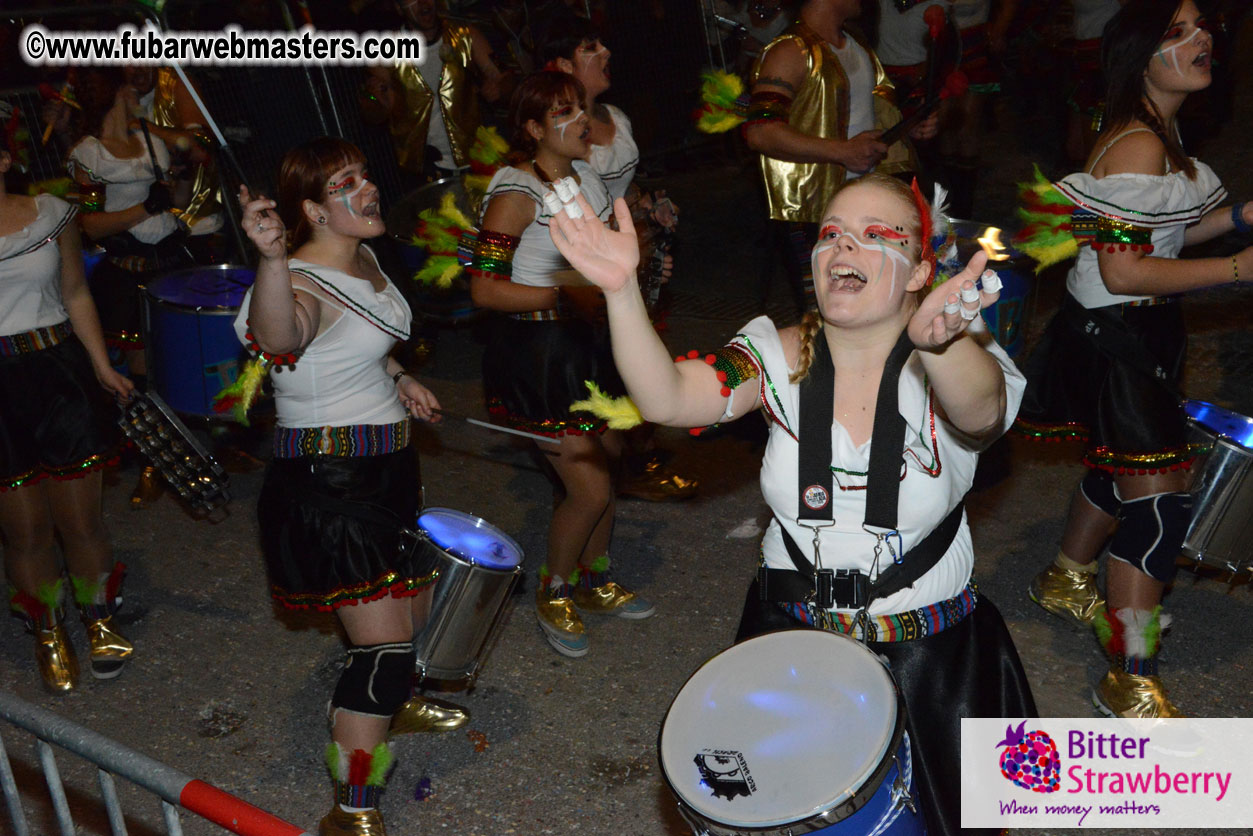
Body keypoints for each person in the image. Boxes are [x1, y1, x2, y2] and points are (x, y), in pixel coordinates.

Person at [548, 172, 1036, 836]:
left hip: (928, 658)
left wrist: (939, 345)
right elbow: (668, 399)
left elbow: (979, 416)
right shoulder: (773, 354)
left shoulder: (966, 356)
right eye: (830, 234)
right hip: (795, 639)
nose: (843, 248)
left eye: (874, 236)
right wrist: (618, 291)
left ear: (920, 268)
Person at [1017, 0, 1251, 718]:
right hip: (1115, 336)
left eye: (1199, 23)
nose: (1202, 35)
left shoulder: (1155, 131)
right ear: (1142, 59)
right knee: (1158, 507)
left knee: (1122, 465)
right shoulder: (1136, 145)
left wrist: (1238, 219)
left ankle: (1064, 577)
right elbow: (1123, 274)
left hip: (1124, 334)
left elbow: (1163, 230)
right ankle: (1130, 674)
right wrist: (1240, 268)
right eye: (1177, 32)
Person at [235, 137, 467, 836]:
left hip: (389, 468)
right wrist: (271, 261)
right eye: (345, 183)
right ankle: (350, 807)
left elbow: (363, 343)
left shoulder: (362, 257)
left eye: (365, 174)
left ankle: (389, 702)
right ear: (312, 210)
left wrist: (399, 377)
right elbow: (284, 339)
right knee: (384, 648)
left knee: (415, 615)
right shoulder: (298, 281)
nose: (366, 188)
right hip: (328, 483)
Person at [468, 71, 655, 660]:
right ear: (532, 129)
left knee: (611, 464)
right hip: (540, 356)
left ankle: (595, 579)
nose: (582, 121)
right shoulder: (515, 194)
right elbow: (483, 290)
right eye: (565, 112)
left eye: (581, 107)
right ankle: (553, 591)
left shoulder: (586, 177)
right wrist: (564, 295)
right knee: (589, 484)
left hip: (592, 344)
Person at [537, 14, 696, 503]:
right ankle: (624, 465)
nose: (606, 52)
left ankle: (640, 452)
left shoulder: (617, 117)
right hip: (600, 261)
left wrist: (651, 203)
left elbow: (625, 187)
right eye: (591, 47)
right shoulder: (564, 134)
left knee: (648, 352)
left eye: (603, 42)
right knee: (613, 362)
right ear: (563, 64)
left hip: (640, 253)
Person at [0, 148, 135, 693]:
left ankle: (99, 620)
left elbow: (76, 293)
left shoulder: (53, 212)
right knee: (26, 531)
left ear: (7, 156)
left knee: (81, 523)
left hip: (60, 374)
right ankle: (48, 630)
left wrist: (103, 366)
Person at [744, 0, 931, 310]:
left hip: (865, 205)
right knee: (823, 313)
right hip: (812, 213)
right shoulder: (789, 51)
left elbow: (879, 114)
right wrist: (842, 152)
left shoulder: (856, 45)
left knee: (876, 304)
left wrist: (912, 127)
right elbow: (760, 132)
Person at [67, 67, 194, 508]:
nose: (140, 93)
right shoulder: (89, 154)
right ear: (116, 93)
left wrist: (177, 179)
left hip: (169, 262)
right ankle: (152, 462)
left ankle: (194, 448)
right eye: (131, 87)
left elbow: (175, 202)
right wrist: (145, 206)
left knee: (181, 357)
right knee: (144, 373)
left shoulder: (151, 142)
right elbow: (90, 225)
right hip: (126, 270)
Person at [361, 0, 510, 188]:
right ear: (399, 8)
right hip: (424, 170)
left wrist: (499, 88)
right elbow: (374, 114)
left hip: (476, 161)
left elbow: (505, 79)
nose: (423, 2)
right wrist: (375, 98)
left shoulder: (465, 35)